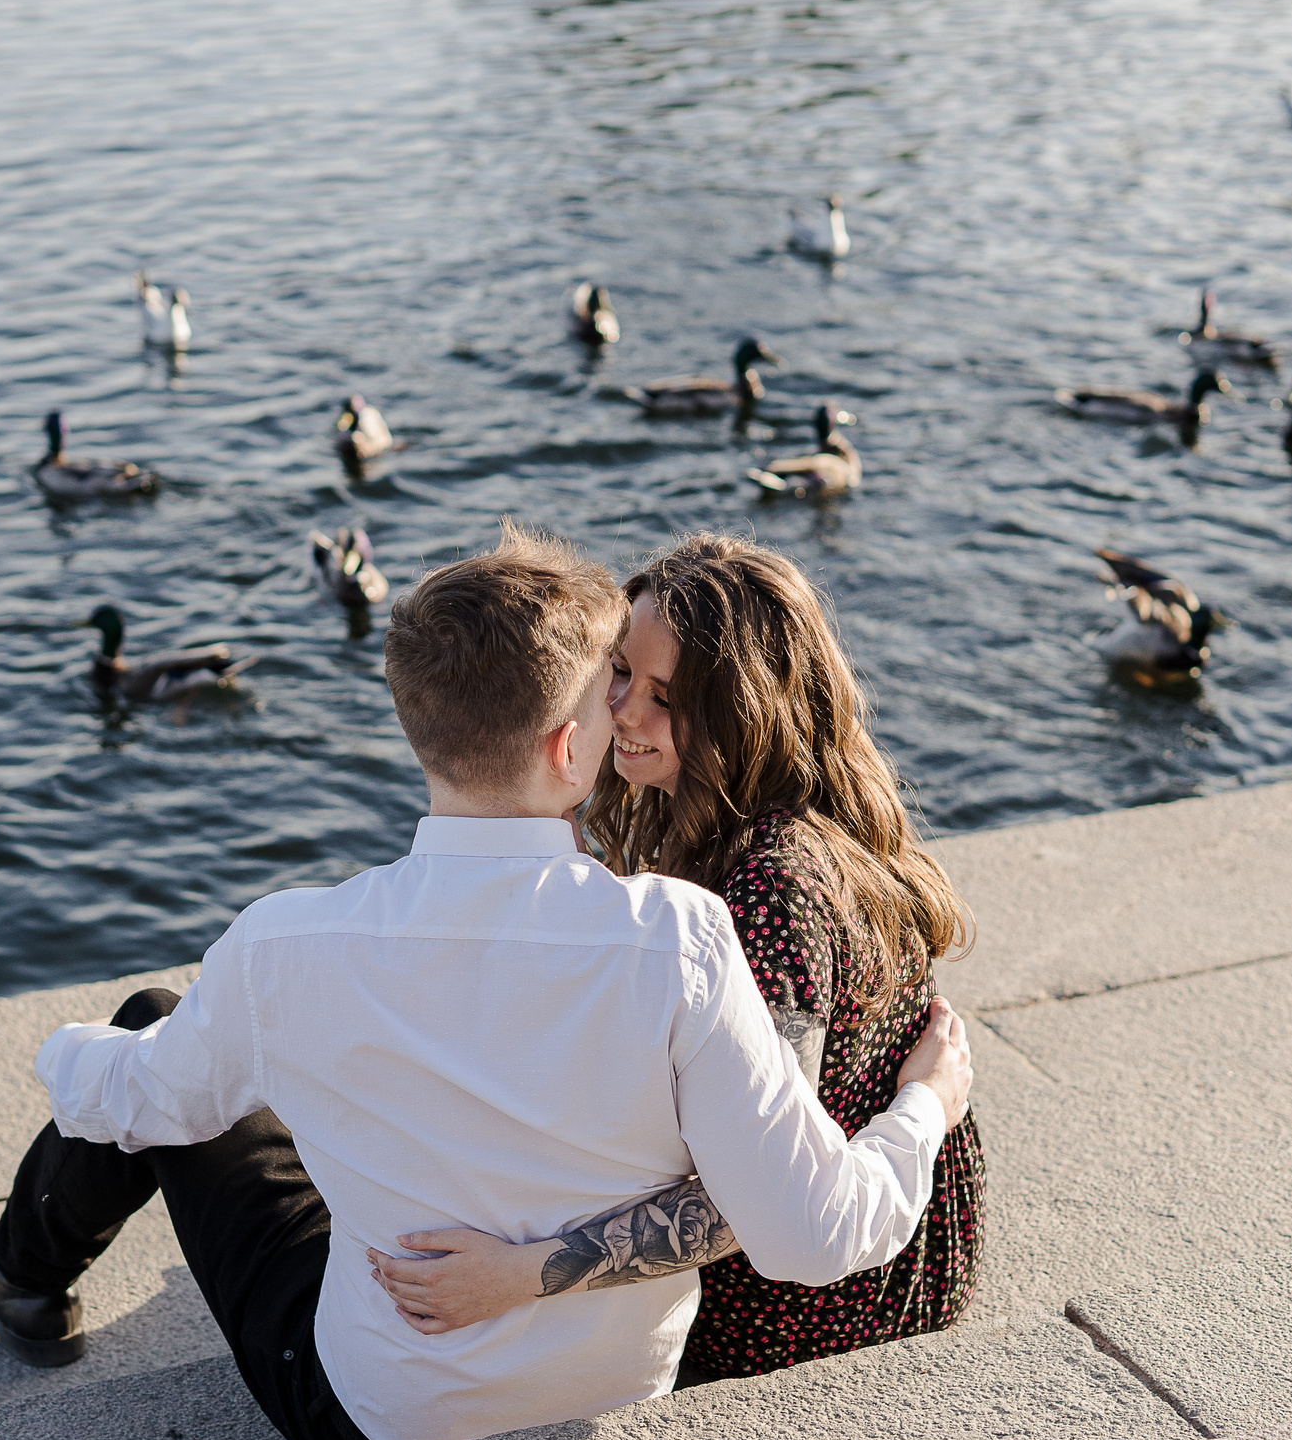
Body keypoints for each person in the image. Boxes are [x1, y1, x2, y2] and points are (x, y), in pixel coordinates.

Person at [0, 523, 974, 1440]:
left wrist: (62, 1055)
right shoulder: (682, 938)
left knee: (153, 1035)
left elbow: (131, 1104)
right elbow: (812, 1230)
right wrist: (925, 1108)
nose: (626, 714)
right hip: (612, 1401)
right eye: (613, 687)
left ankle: (16, 1275)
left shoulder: (287, 945)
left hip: (376, 1418)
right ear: (570, 748)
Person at [366, 533, 983, 1381]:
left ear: (745, 712)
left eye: (666, 696)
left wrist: (523, 1274)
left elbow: (756, 1203)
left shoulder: (776, 890)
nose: (621, 709)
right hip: (869, 1239)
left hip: (809, 1312)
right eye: (620, 671)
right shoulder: (723, 810)